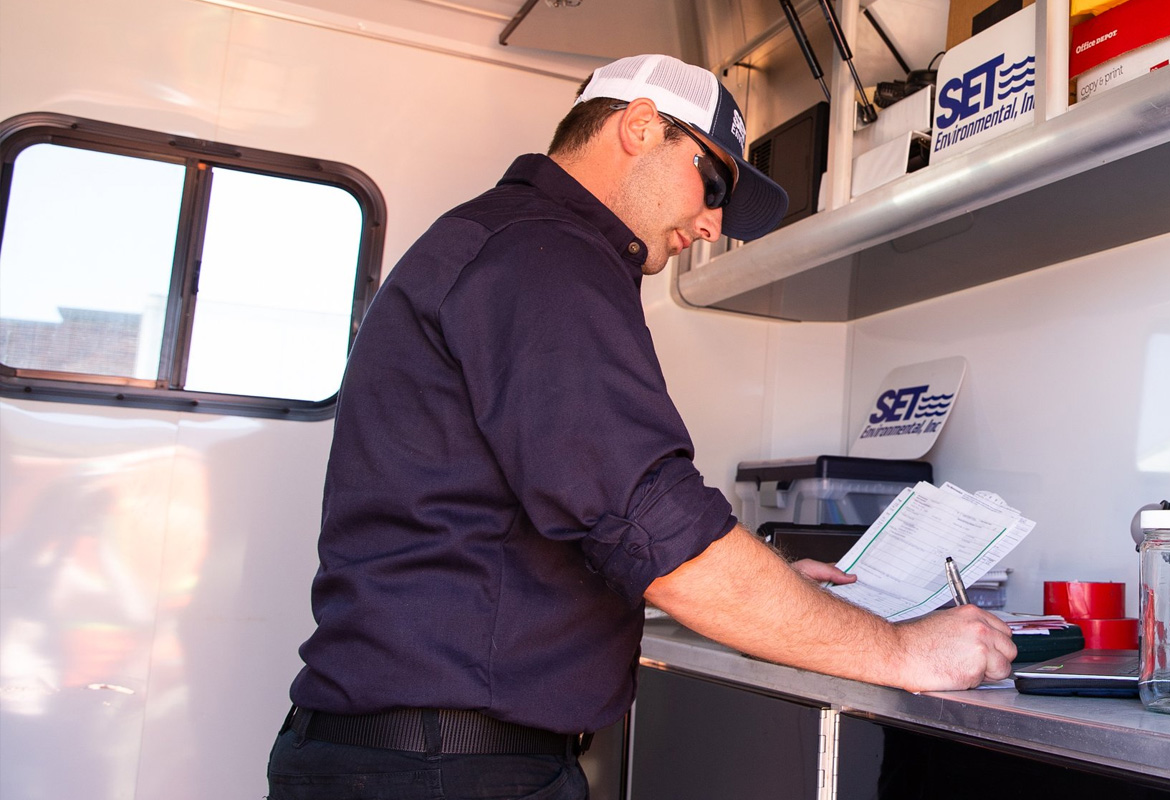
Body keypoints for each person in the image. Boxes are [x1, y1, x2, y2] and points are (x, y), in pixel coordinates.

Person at [266, 53, 1017, 800]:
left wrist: (769, 585)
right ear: (639, 126)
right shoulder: (545, 256)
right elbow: (652, 528)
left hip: (415, 759)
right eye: (713, 181)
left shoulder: (506, 244)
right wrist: (905, 651)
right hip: (444, 771)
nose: (714, 221)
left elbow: (530, 536)